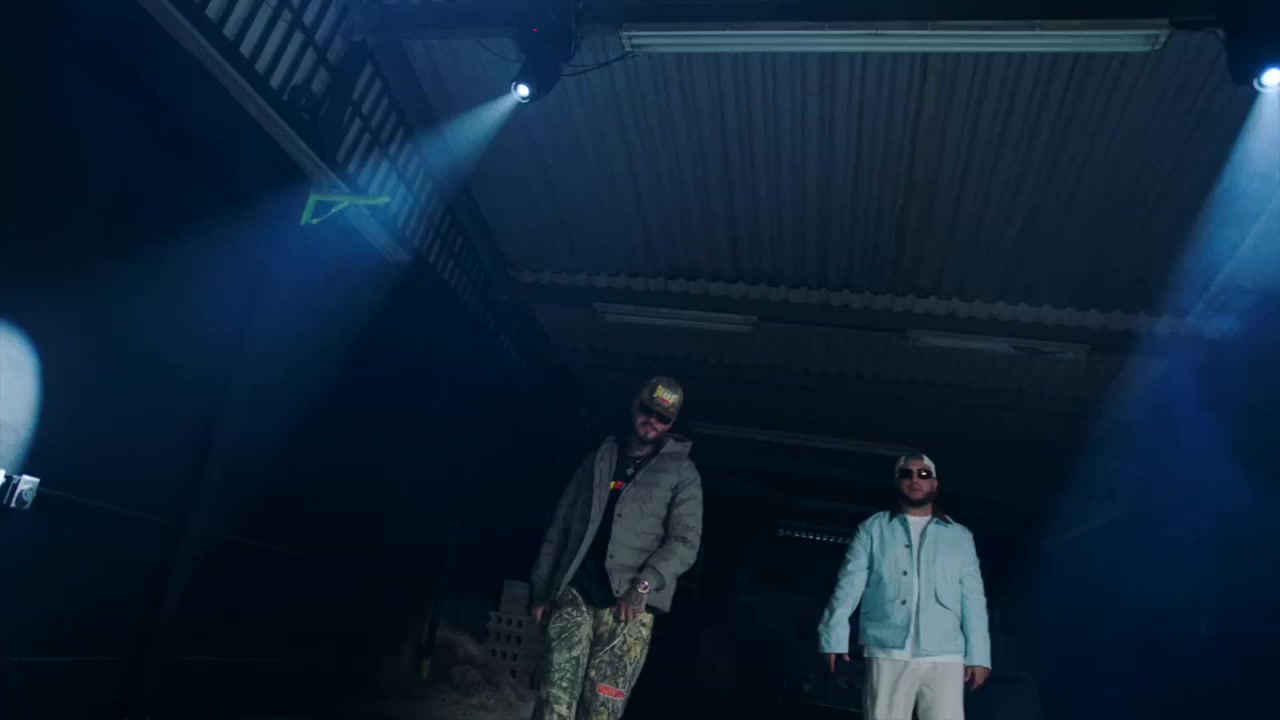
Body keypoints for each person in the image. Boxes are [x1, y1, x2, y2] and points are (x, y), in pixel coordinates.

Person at [530, 377, 704, 720]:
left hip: (629, 610)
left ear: (671, 424)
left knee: (601, 711)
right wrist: (542, 591)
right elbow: (560, 528)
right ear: (634, 406)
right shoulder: (598, 459)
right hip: (575, 593)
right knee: (553, 701)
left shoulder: (682, 473)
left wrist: (643, 584)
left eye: (663, 418)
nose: (652, 421)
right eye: (648, 411)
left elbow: (685, 542)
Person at [817, 454, 991, 720]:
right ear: (896, 482)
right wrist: (833, 636)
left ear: (935, 483)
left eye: (924, 474)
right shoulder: (872, 529)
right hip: (887, 649)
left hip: (946, 652)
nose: (915, 479)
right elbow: (848, 587)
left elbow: (973, 598)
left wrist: (979, 655)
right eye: (906, 473)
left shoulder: (959, 536)